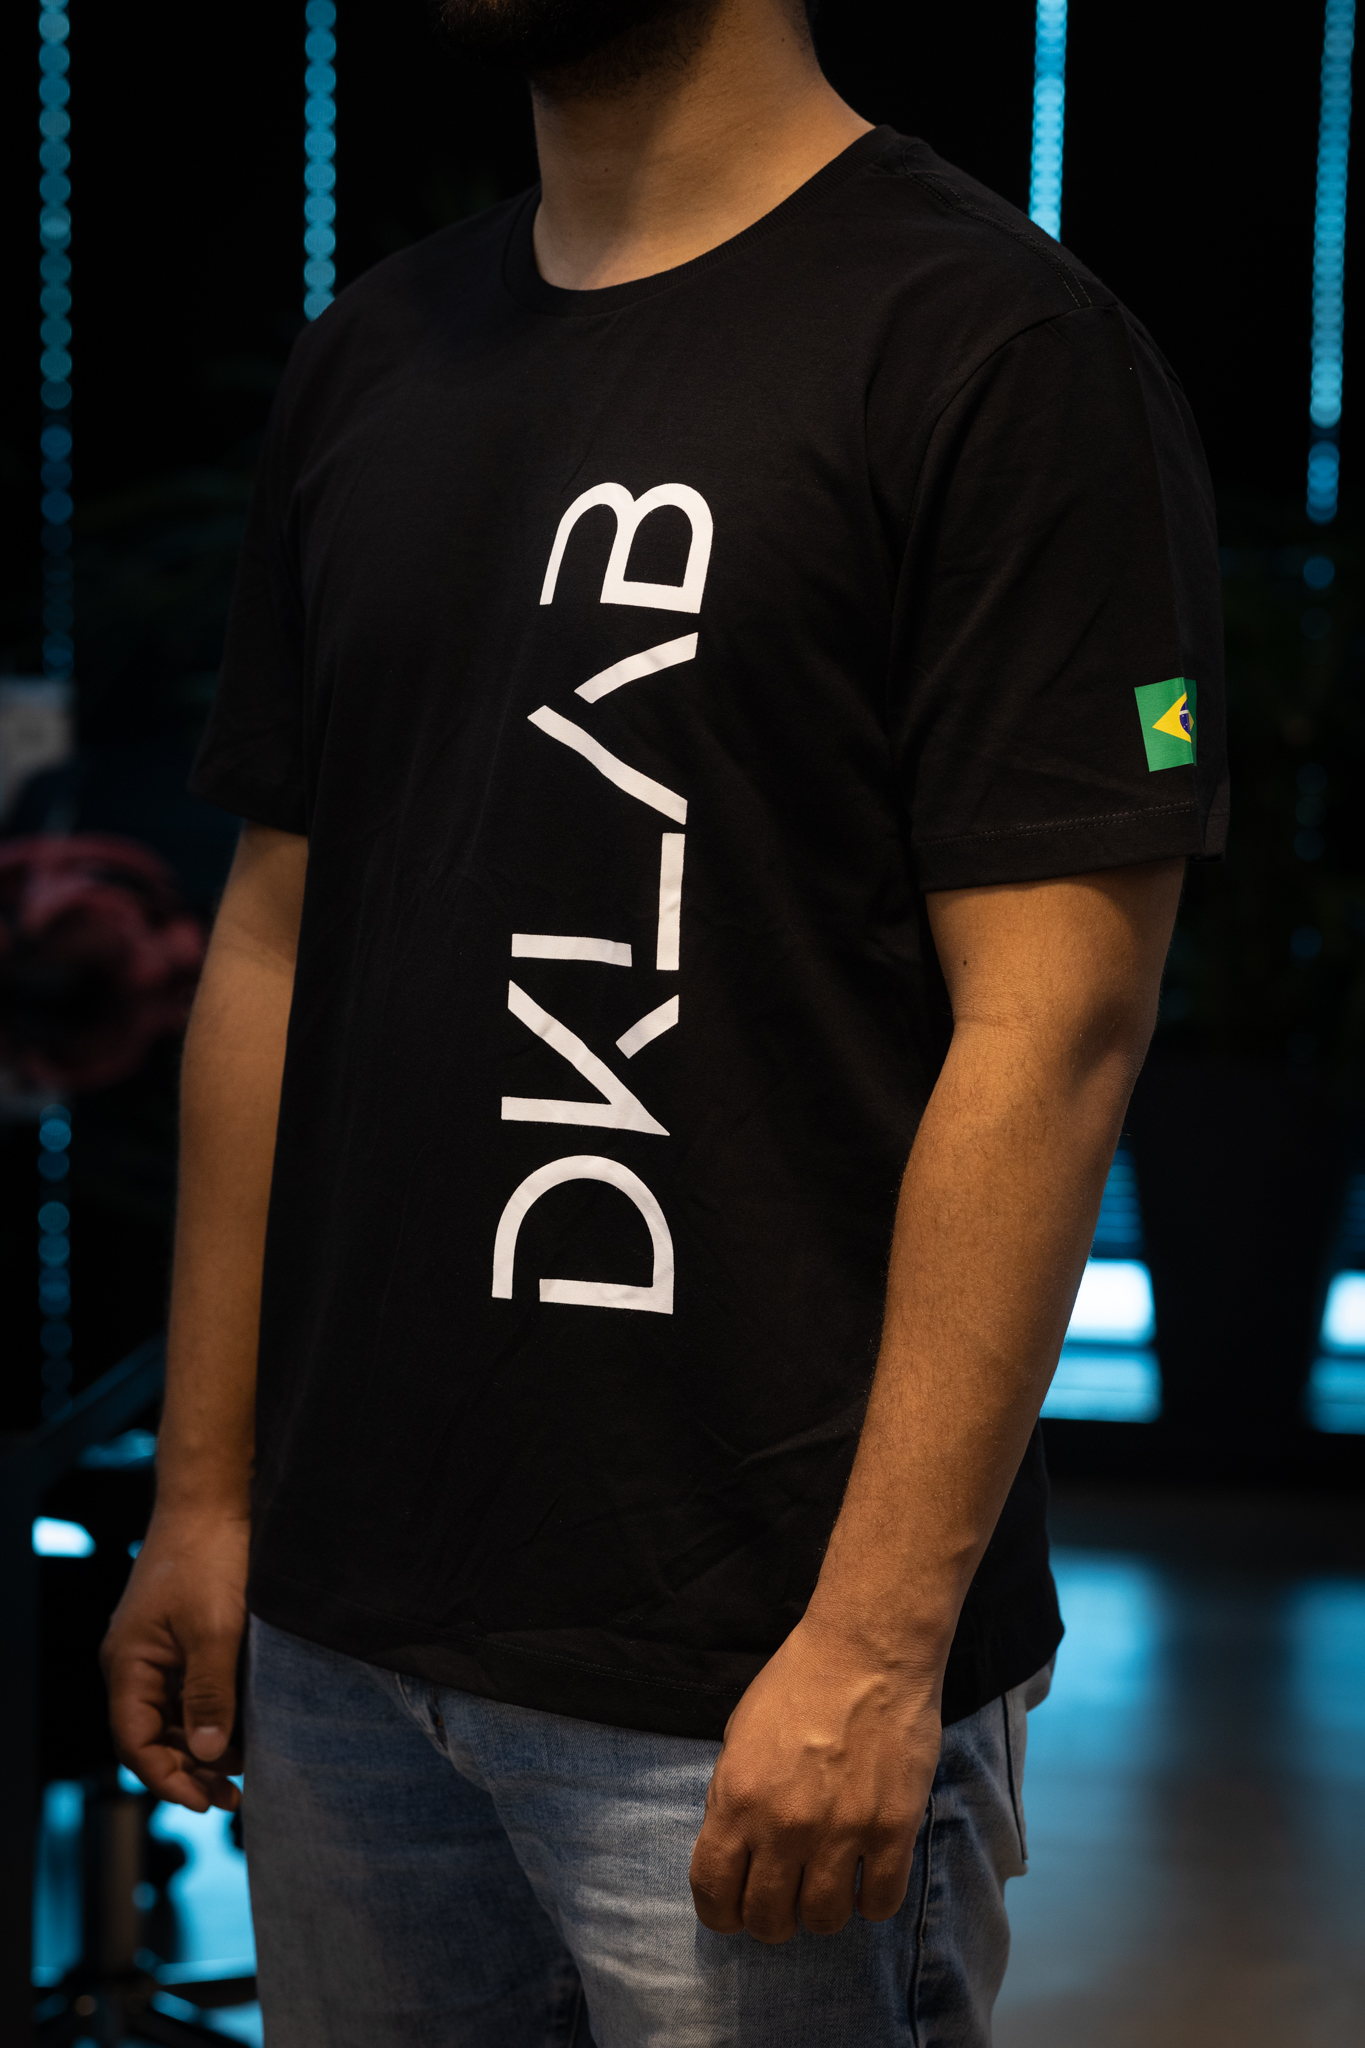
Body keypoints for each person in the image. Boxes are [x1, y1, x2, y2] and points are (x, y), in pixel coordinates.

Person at [101, 0, 1226, 2039]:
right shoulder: (377, 351)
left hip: (749, 1667)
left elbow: (1054, 1029)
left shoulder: (991, 345)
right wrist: (206, 1496)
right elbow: (271, 942)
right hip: (345, 1644)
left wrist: (875, 1642)